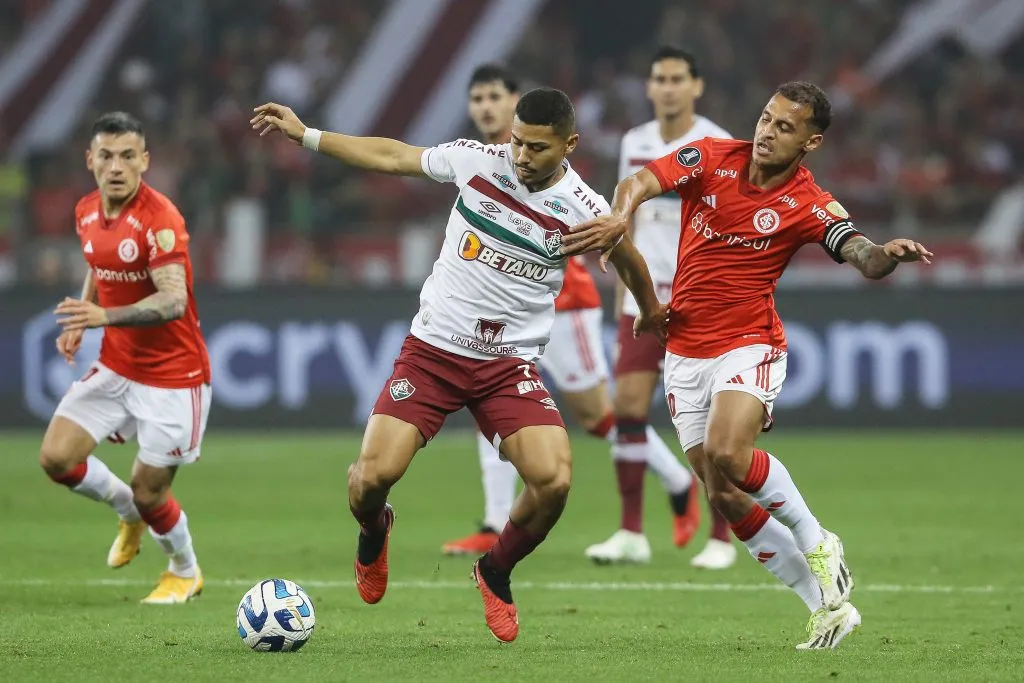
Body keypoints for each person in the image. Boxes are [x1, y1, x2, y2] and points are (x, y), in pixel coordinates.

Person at [251, 87, 666, 643]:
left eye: (537, 148)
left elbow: (629, 258)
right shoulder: (478, 161)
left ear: (569, 145)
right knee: (370, 479)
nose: (520, 155)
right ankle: (375, 530)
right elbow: (394, 156)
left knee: (554, 481)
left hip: (507, 368)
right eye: (517, 142)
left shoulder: (585, 209)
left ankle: (495, 570)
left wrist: (652, 309)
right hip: (433, 355)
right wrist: (308, 136)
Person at [562, 81, 933, 649]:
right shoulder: (711, 158)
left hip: (750, 342)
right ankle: (825, 608)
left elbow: (857, 252)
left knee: (728, 454)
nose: (767, 132)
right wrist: (618, 217)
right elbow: (637, 181)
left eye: (785, 128)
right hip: (683, 350)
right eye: (766, 118)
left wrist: (884, 255)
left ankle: (816, 535)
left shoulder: (808, 202)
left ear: (809, 143)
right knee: (721, 492)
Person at [443, 64, 697, 559]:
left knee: (599, 415)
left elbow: (597, 233)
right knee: (485, 399)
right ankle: (496, 521)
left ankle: (677, 480)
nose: (485, 108)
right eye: (476, 99)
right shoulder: (484, 157)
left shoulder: (546, 157)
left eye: (495, 97)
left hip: (564, 307)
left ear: (516, 102)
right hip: (503, 312)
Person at [41, 111, 212, 604]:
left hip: (174, 377)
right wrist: (82, 314)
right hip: (118, 365)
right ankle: (128, 512)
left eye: (128, 156)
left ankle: (185, 571)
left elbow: (173, 300)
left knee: (150, 489)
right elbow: (99, 263)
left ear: (145, 161)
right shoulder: (85, 211)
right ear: (90, 159)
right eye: (107, 155)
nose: (117, 166)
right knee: (56, 457)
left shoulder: (160, 219)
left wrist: (103, 318)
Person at [586, 46, 736, 568]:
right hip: (641, 295)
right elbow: (625, 223)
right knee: (626, 408)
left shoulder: (716, 142)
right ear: (649, 88)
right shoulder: (635, 142)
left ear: (696, 86)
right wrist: (621, 296)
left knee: (712, 424)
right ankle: (632, 532)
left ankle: (721, 536)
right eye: (659, 79)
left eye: (678, 78)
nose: (668, 87)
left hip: (698, 298)